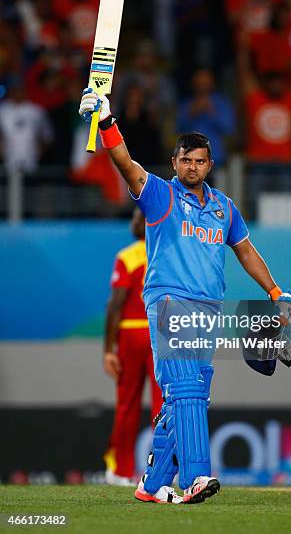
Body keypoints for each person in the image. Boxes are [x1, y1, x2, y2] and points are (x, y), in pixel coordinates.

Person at [79, 88, 291, 505]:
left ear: (209, 165)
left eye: (199, 161)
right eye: (185, 160)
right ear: (174, 162)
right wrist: (107, 122)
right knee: (186, 389)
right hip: (169, 301)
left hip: (207, 308)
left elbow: (246, 252)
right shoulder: (160, 195)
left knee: (191, 391)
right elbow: (126, 166)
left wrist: (273, 290)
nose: (192, 166)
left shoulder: (223, 207)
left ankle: (151, 484)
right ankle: (197, 478)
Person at [104, 208, 163, 486]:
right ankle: (162, 469)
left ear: (145, 223)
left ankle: (120, 470)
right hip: (161, 333)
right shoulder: (166, 253)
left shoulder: (127, 256)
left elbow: (115, 304)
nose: (133, 222)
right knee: (162, 406)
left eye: (136, 218)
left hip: (130, 333)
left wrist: (108, 349)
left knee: (127, 404)